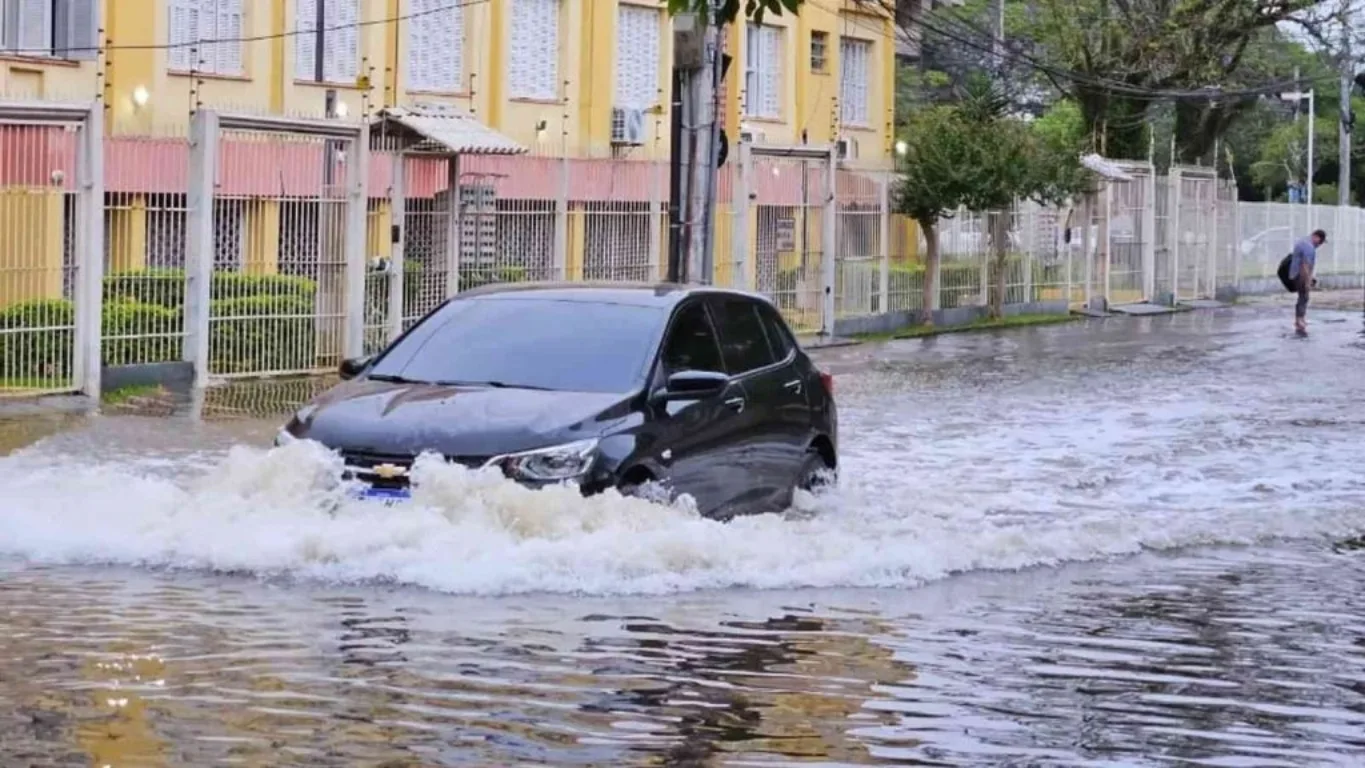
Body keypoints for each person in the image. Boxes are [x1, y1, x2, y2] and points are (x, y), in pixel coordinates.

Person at [1289, 229, 1324, 334]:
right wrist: (1307, 281)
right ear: (1315, 237)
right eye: (1320, 241)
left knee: (1302, 296)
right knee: (1304, 296)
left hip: (1296, 273)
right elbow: (1305, 265)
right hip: (1301, 275)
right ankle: (1299, 320)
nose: (1320, 244)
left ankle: (1299, 319)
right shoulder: (1309, 246)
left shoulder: (1303, 242)